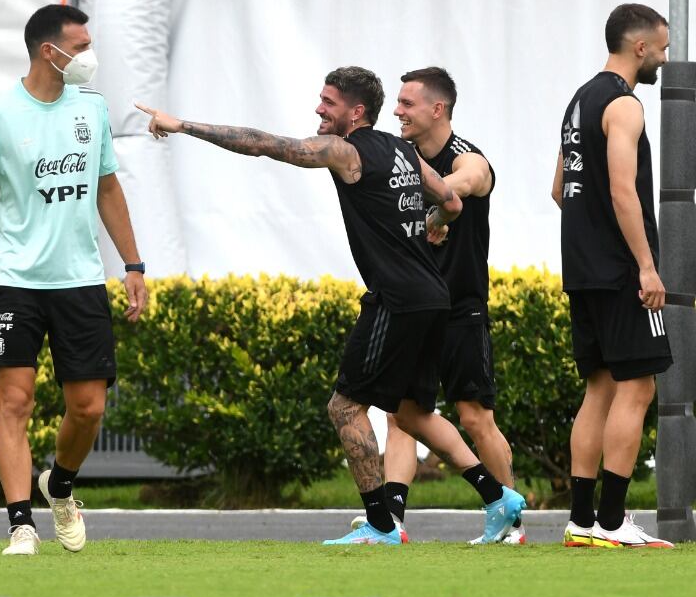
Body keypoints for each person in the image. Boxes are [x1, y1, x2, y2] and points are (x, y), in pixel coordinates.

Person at [138, 65, 526, 545]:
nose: (319, 109)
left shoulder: (347, 151)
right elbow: (450, 199)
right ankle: (498, 496)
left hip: (398, 300)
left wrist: (183, 126)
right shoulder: (402, 150)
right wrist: (435, 221)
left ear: (356, 112)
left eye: (329, 102)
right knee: (411, 414)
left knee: (345, 407)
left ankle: (382, 525)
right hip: (433, 297)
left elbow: (264, 143)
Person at [0, 4, 148, 557]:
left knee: (89, 407)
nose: (89, 57)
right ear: (47, 51)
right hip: (17, 282)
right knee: (15, 401)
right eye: (80, 47)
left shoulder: (92, 110)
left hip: (80, 281)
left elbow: (108, 188)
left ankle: (61, 484)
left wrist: (133, 265)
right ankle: (20, 525)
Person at [369, 67, 524, 544]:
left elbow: (469, 180)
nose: (396, 111)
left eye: (406, 104)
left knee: (475, 416)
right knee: (401, 413)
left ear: (438, 109)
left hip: (461, 308)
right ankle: (390, 520)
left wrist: (437, 203)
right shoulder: (402, 158)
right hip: (415, 309)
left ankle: (509, 520)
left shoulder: (468, 156)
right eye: (396, 103)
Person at [553, 3, 674, 549]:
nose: (665, 60)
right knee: (639, 385)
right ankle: (611, 521)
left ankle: (581, 520)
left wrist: (593, 236)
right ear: (640, 47)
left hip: (581, 269)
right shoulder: (624, 105)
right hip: (622, 270)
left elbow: (560, 190)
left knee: (598, 388)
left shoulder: (579, 100)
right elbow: (624, 191)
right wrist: (645, 265)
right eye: (663, 49)